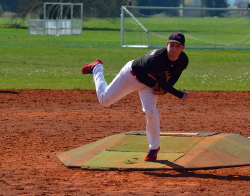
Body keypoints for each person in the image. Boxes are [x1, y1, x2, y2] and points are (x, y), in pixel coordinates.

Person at [81, 32, 190, 161]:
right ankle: (97, 68)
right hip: (131, 76)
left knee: (151, 112)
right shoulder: (157, 59)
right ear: (167, 44)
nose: (174, 49)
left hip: (149, 84)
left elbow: (174, 75)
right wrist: (180, 95)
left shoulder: (183, 60)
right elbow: (162, 83)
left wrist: (166, 89)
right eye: (171, 45)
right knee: (105, 101)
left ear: (183, 47)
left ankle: (154, 148)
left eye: (177, 46)